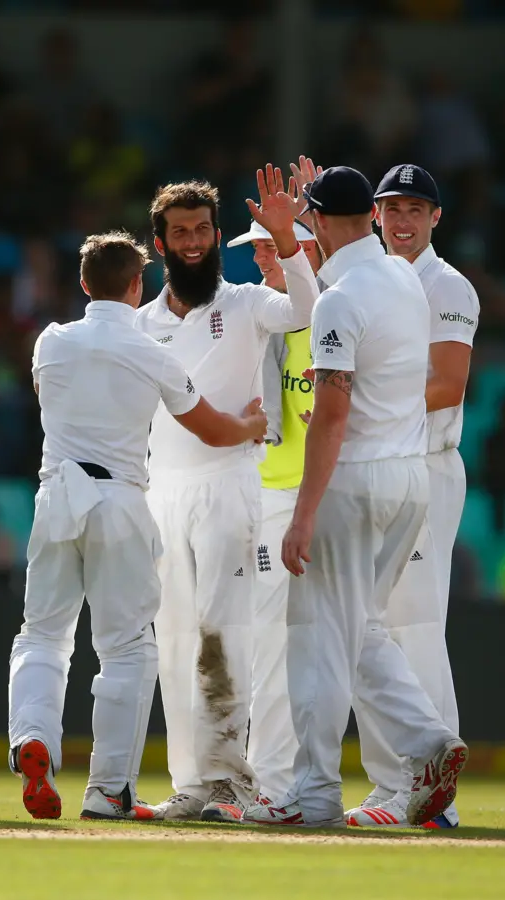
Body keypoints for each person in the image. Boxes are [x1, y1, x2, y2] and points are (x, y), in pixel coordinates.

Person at [7, 231, 267, 822]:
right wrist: (251, 426)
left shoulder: (50, 342)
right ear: (137, 285)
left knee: (42, 636)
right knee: (125, 649)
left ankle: (33, 738)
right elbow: (211, 430)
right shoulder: (153, 353)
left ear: (82, 283)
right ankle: (108, 790)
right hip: (120, 499)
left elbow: (54, 395)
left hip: (56, 497)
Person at [244, 166, 468, 829]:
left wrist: (304, 513)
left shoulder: (343, 299)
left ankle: (310, 794)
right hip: (409, 480)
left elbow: (332, 416)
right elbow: (339, 321)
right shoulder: (401, 275)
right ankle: (428, 742)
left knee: (314, 633)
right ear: (370, 217)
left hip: (359, 478)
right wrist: (298, 230)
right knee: (362, 627)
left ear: (316, 221)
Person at [134, 167, 318, 823]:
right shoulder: (142, 323)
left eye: (202, 230)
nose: (192, 241)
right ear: (159, 243)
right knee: (175, 636)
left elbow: (305, 308)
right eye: (179, 232)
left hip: (228, 484)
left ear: (215, 236)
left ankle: (230, 782)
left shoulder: (244, 303)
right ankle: (191, 781)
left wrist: (286, 240)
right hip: (164, 493)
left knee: (223, 631)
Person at [347, 163, 480, 829]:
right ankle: (389, 783)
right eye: (390, 208)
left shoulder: (446, 284)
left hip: (425, 467)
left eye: (414, 209)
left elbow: (448, 383)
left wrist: (359, 399)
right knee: (367, 626)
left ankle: (434, 799)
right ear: (374, 215)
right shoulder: (371, 279)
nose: (401, 220)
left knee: (415, 624)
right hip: (377, 464)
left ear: (435, 218)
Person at [227, 209, 323, 801]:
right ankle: (274, 782)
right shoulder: (253, 314)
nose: (260, 257)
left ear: (307, 252)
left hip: (319, 495)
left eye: (271, 247)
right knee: (270, 639)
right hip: (265, 494)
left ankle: (282, 784)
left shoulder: (332, 315)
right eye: (259, 248)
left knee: (323, 639)